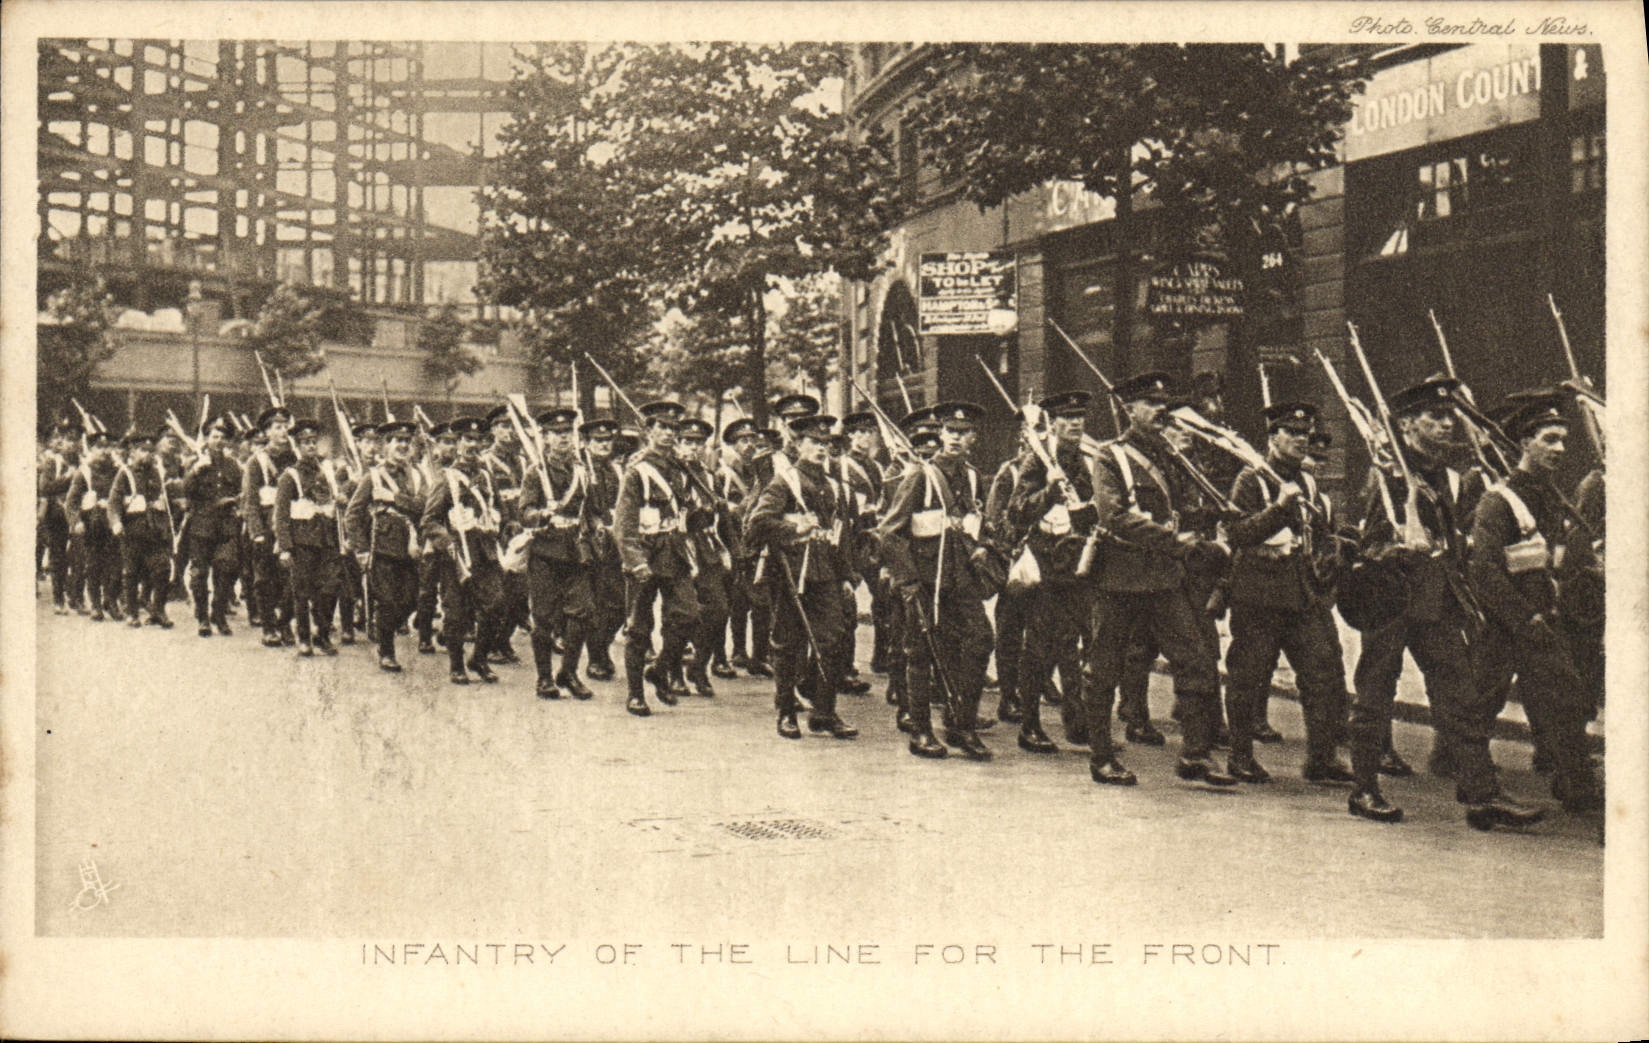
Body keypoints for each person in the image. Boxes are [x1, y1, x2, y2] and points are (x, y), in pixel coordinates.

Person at [1345, 376, 1506, 826]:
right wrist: (1399, 547)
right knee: (1375, 694)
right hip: (1391, 598)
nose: (1446, 425)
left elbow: (1454, 537)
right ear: (1408, 424)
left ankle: (1481, 794)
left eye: (1449, 417)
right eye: (1435, 417)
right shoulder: (1388, 476)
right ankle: (1364, 790)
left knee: (1460, 695)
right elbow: (1368, 544)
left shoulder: (1447, 476)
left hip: (1436, 600)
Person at [1083, 372, 1234, 788]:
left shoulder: (1171, 457)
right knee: (1104, 668)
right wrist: (1174, 541)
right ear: (1129, 410)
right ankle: (1101, 757)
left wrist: (1216, 522)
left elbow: (1186, 508)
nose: (1159, 411)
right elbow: (1113, 515)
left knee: (1195, 661)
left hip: (1164, 579)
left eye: (1162, 404)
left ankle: (1195, 755)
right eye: (1149, 404)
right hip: (1120, 577)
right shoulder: (1110, 456)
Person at [1465, 394, 1603, 821]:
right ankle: (1478, 794)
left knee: (1567, 697)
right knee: (1480, 707)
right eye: (1549, 439)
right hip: (1506, 624)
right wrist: (1524, 618)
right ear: (1524, 442)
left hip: (1542, 622)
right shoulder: (1499, 501)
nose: (1560, 448)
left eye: (1563, 440)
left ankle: (1576, 786)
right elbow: (1485, 572)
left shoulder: (1549, 497)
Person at [1221, 403, 1355, 784]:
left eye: (1304, 434)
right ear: (1272, 438)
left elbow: (1322, 532)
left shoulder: (1309, 483)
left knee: (1323, 672)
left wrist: (1333, 552)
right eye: (1291, 433)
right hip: (1259, 595)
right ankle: (1240, 756)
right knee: (1248, 677)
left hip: (1303, 595)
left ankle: (1321, 759)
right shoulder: (1251, 479)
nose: (1300, 440)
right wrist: (1279, 509)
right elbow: (1238, 533)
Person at [876, 402, 995, 760]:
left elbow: (979, 522)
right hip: (925, 582)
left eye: (963, 432)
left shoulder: (972, 477)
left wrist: (981, 545)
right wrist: (908, 582)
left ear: (974, 437)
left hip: (961, 580)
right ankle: (921, 730)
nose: (956, 438)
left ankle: (961, 724)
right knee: (921, 652)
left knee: (980, 641)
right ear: (941, 434)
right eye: (950, 432)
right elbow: (890, 533)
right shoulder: (921, 477)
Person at [747, 411, 859, 739]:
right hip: (791, 573)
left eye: (826, 442)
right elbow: (757, 523)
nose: (821, 448)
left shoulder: (835, 486)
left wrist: (846, 576)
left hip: (825, 573)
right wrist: (795, 526)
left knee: (833, 638)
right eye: (813, 441)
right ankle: (786, 712)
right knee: (788, 643)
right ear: (797, 444)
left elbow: (842, 534)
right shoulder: (785, 481)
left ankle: (824, 712)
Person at [1007, 390, 1102, 754]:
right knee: (1039, 647)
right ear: (1053, 423)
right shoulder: (1038, 459)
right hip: (1045, 564)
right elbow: (1017, 512)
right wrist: (1049, 491)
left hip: (1077, 564)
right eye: (1067, 418)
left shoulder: (1086, 458)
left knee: (1076, 643)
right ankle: (1029, 726)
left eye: (1080, 417)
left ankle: (1077, 721)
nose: (1075, 423)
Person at [613, 400, 700, 716]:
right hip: (644, 552)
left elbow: (685, 511)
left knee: (688, 615)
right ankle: (635, 694)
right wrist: (635, 561)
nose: (668, 433)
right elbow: (623, 524)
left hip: (673, 551)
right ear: (648, 431)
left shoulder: (679, 468)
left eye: (673, 428)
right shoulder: (637, 470)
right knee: (639, 628)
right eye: (661, 427)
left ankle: (661, 670)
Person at [517, 408, 597, 700]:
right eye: (557, 433)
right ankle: (544, 678)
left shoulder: (582, 472)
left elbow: (591, 510)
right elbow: (524, 512)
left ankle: (569, 672)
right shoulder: (536, 473)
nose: (564, 438)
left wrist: (597, 529)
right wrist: (541, 514)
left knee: (582, 613)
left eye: (567, 433)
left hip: (575, 550)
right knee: (543, 618)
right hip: (546, 552)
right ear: (546, 438)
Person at [422, 416, 506, 685]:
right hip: (456, 553)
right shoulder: (447, 478)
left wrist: (506, 526)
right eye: (467, 440)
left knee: (496, 605)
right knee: (456, 612)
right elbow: (429, 520)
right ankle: (457, 665)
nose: (473, 445)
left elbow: (500, 509)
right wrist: (446, 542)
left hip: (486, 552)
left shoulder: (486, 476)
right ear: (457, 443)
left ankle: (479, 658)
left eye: (477, 440)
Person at [346, 420, 427, 672]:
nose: (403, 446)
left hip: (411, 550)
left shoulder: (417, 476)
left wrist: (393, 498)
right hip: (382, 549)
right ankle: (387, 650)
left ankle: (382, 628)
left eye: (407, 442)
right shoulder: (373, 477)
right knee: (388, 602)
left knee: (412, 600)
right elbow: (352, 515)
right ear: (386, 446)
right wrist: (361, 549)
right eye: (397, 441)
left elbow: (423, 506)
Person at [273, 419, 345, 657]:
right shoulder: (290, 476)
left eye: (314, 441)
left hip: (327, 540)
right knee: (302, 592)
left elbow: (332, 501)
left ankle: (322, 633)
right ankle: (304, 638)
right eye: (306, 442)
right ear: (297, 446)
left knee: (330, 588)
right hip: (302, 542)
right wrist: (285, 547)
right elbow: (281, 515)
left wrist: (339, 500)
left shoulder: (326, 473)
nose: (311, 446)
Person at [676, 417, 732, 699]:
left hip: (707, 548)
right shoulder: (671, 474)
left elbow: (722, 516)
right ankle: (674, 672)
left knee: (719, 610)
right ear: (677, 443)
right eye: (687, 442)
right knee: (681, 613)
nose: (693, 448)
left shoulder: (709, 477)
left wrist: (733, 551)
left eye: (699, 443)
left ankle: (699, 666)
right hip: (679, 547)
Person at [984, 433, 1034, 725]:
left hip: (1048, 561)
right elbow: (993, 519)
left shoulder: (1057, 471)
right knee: (1011, 632)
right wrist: (1011, 552)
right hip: (1015, 562)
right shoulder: (1010, 473)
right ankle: (1008, 696)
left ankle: (1035, 686)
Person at [107, 429, 176, 628]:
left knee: (162, 569)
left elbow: (164, 500)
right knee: (131, 572)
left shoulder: (155, 473)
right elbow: (113, 503)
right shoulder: (125, 474)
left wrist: (165, 518)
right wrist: (116, 522)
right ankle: (132, 613)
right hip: (132, 531)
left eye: (150, 451)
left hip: (155, 530)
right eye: (142, 450)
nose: (147, 454)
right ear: (133, 452)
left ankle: (158, 610)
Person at [241, 405, 297, 648]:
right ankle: (269, 627)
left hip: (291, 524)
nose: (283, 431)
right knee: (265, 580)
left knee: (292, 579)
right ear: (266, 432)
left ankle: (284, 622)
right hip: (266, 526)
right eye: (277, 427)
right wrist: (256, 533)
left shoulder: (295, 458)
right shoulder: (257, 462)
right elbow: (250, 501)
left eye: (285, 426)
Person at [183, 416, 243, 636]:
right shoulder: (195, 462)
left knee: (226, 570)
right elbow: (185, 490)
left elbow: (241, 490)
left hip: (226, 525)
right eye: (214, 436)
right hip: (201, 525)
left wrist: (235, 502)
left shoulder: (232, 465)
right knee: (199, 574)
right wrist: (196, 471)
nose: (219, 441)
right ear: (207, 438)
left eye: (222, 437)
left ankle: (218, 612)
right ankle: (202, 617)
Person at [716, 417, 766, 677]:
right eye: (743, 441)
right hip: (732, 541)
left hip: (756, 542)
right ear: (733, 445)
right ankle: (737, 650)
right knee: (736, 598)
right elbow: (721, 511)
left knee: (759, 598)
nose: (749, 445)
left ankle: (760, 655)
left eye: (752, 440)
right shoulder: (724, 474)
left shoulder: (760, 472)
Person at [481, 404, 529, 665]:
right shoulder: (486, 461)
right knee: (500, 592)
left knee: (520, 593)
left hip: (522, 530)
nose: (508, 431)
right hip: (499, 532)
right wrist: (502, 524)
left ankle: (503, 639)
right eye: (503, 426)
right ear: (493, 430)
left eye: (512, 426)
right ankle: (490, 643)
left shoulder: (522, 461)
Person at [579, 417, 626, 681]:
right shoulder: (581, 469)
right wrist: (595, 524)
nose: (604, 444)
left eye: (607, 440)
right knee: (596, 603)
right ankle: (596, 657)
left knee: (619, 603)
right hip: (588, 543)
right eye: (598, 440)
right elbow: (578, 506)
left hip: (614, 542)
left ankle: (602, 646)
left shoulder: (616, 470)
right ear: (587, 443)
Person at [65, 423, 122, 621]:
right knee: (94, 565)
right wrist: (76, 521)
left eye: (108, 447)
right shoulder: (84, 473)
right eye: (100, 447)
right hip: (92, 525)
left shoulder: (118, 471)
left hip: (113, 524)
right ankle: (96, 604)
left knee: (115, 565)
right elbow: (71, 502)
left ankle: (111, 601)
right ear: (91, 449)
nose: (105, 451)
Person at [413, 421, 457, 655]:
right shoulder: (426, 470)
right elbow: (421, 503)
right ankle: (424, 635)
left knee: (454, 590)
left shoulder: (458, 469)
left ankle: (448, 631)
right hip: (431, 536)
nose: (451, 447)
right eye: (445, 442)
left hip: (454, 534)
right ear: (436, 445)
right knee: (428, 588)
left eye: (453, 442)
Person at [38, 420, 79, 615]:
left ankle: (76, 598)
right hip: (57, 515)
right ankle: (58, 599)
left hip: (77, 514)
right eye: (65, 440)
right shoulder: (51, 462)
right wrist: (67, 477)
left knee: (78, 558)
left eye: (72, 440)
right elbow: (45, 488)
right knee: (58, 557)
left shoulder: (80, 462)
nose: (69, 444)